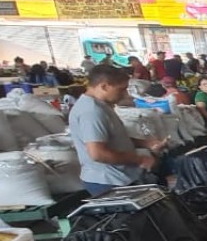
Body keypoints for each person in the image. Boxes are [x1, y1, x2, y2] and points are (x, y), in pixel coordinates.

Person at [69, 65, 165, 196]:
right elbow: (98, 153)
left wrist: (145, 143)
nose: (125, 94)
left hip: (120, 177)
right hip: (108, 181)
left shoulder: (101, 106)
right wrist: (139, 160)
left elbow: (111, 138)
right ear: (104, 87)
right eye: (121, 89)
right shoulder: (91, 112)